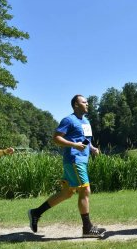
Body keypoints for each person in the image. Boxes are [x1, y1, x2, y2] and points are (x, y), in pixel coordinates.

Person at [28, 94, 106, 238]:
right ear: (76, 105)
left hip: (81, 160)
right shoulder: (68, 120)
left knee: (67, 193)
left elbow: (85, 141)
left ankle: (36, 212)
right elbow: (56, 138)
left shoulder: (86, 121)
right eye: (84, 102)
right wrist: (74, 145)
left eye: (87, 102)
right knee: (85, 190)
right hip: (74, 160)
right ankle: (87, 228)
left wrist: (92, 148)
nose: (87, 104)